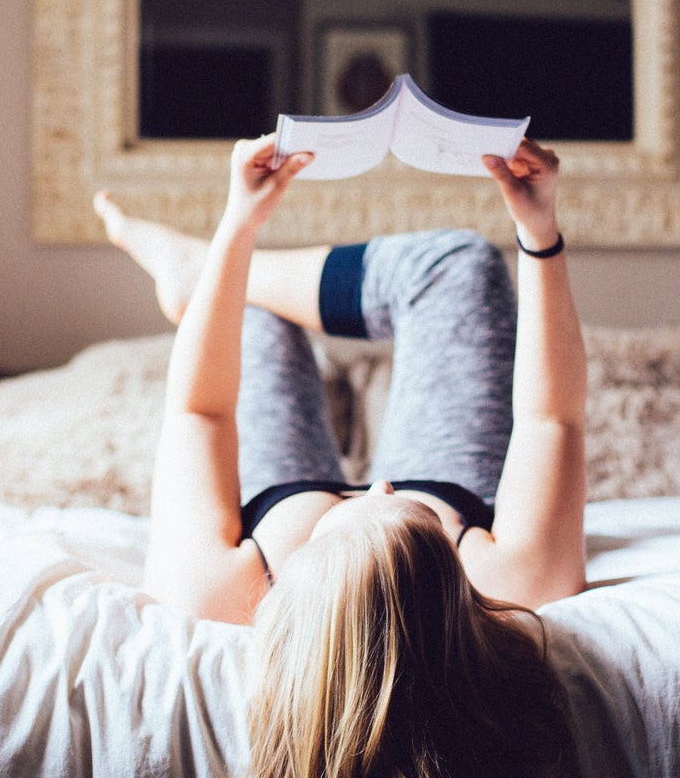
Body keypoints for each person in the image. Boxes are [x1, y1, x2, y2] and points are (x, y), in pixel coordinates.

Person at [94, 133, 587, 778]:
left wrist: (238, 229)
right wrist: (539, 231)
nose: (377, 486)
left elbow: (199, 412)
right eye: (411, 514)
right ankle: (209, 273)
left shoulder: (217, 590)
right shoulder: (508, 584)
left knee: (246, 312)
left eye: (367, 504)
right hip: (441, 481)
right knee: (462, 262)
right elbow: (552, 419)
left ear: (300, 587)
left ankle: (201, 273)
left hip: (276, 506)